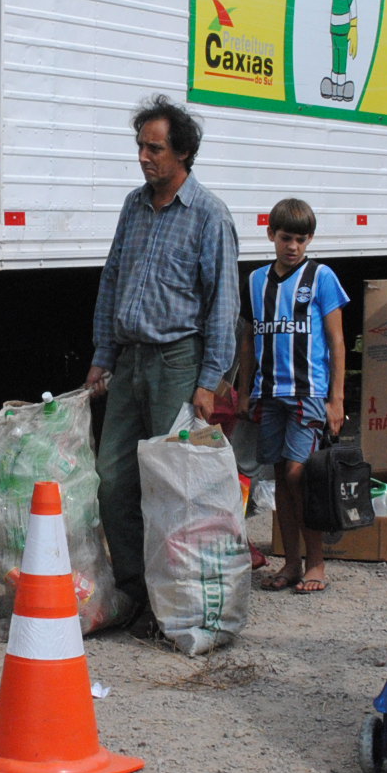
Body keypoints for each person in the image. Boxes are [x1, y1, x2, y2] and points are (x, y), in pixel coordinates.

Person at [86, 96, 240, 638]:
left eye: (155, 148)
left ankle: (172, 600)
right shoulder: (134, 205)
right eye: (140, 147)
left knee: (173, 491)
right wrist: (102, 356)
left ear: (184, 154)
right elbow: (111, 281)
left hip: (179, 362)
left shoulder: (208, 214)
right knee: (112, 481)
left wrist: (208, 383)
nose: (144, 158)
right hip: (129, 363)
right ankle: (134, 589)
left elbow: (223, 302)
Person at [235, 198, 348, 594]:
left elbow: (336, 340)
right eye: (286, 238)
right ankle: (292, 563)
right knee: (281, 477)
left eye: (301, 239)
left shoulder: (321, 277)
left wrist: (337, 399)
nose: (293, 247)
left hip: (308, 391)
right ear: (271, 235)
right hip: (269, 393)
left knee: (302, 474)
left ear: (309, 240)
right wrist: (247, 389)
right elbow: (249, 340)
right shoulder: (254, 281)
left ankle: (317, 562)